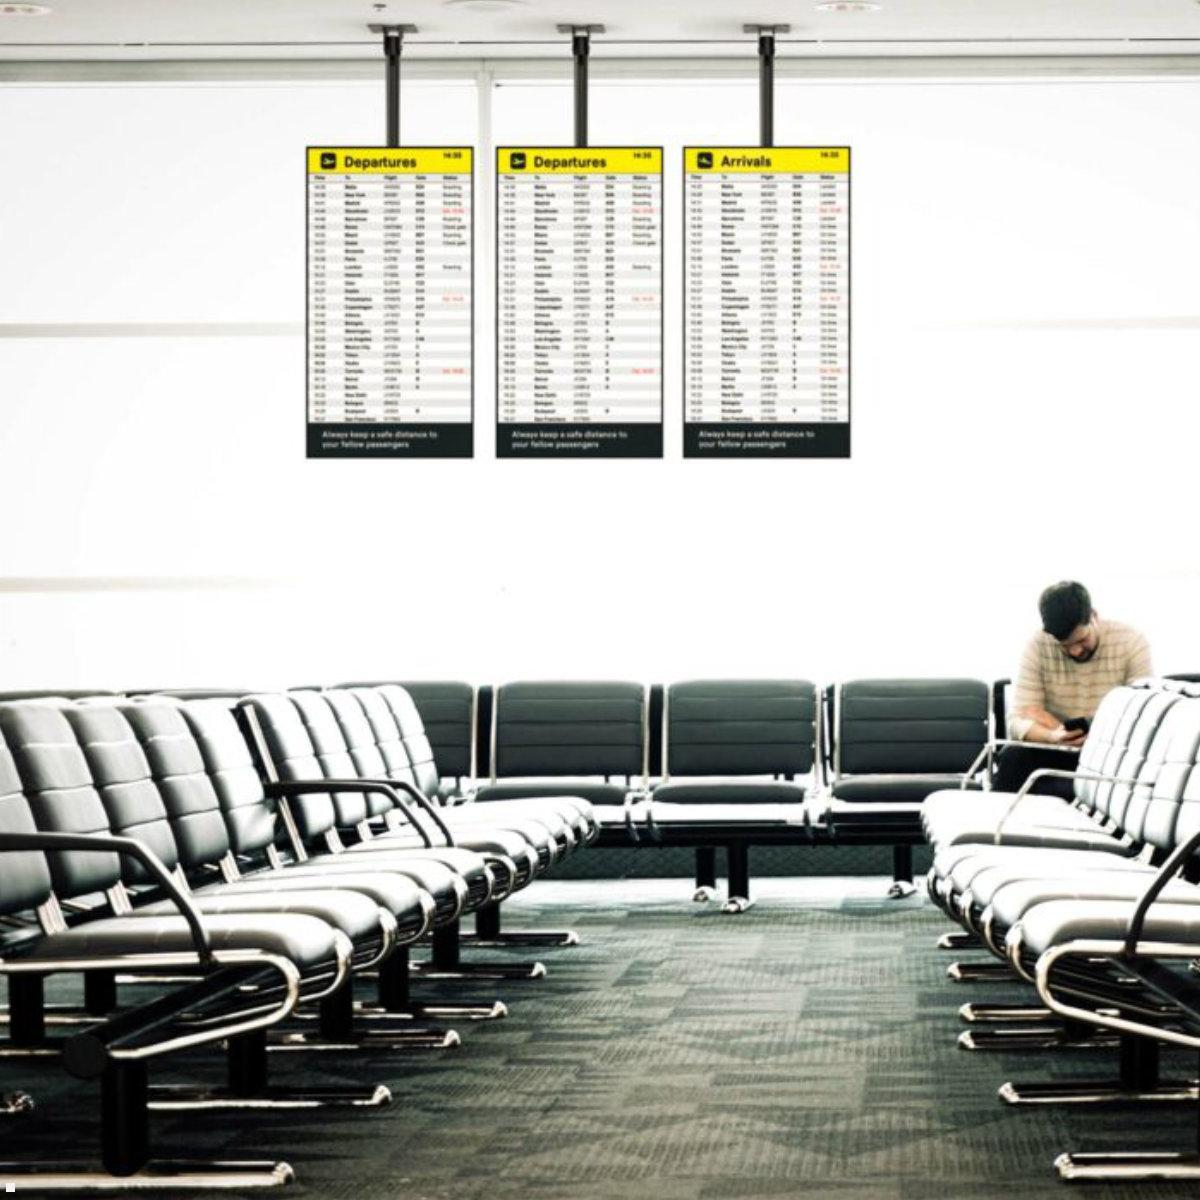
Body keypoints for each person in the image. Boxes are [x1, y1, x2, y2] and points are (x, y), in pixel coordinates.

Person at [994, 581, 1152, 796]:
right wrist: (1052, 736)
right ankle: (997, 827)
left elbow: (1143, 717)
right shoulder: (1039, 645)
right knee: (1013, 755)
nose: (1076, 651)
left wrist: (1096, 738)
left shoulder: (1131, 642)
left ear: (1094, 616)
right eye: (1065, 646)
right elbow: (1018, 720)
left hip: (1110, 754)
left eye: (1081, 640)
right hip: (1059, 748)